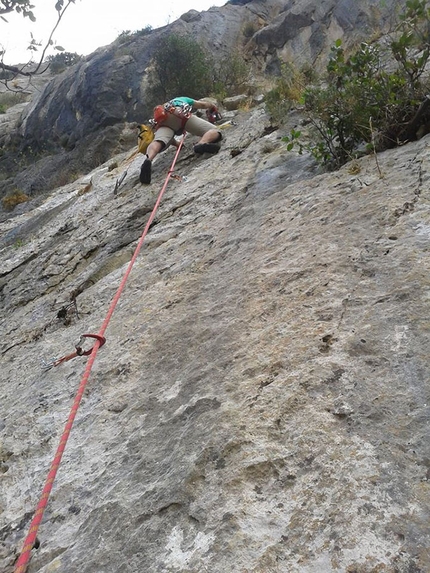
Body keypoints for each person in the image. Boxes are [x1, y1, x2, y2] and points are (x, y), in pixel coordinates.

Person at [140, 96, 222, 184]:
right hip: (179, 113)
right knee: (216, 131)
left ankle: (149, 159)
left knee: (158, 142)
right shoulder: (182, 99)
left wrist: (176, 144)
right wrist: (211, 105)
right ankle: (201, 143)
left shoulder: (162, 108)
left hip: (163, 121)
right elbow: (202, 104)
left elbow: (168, 138)